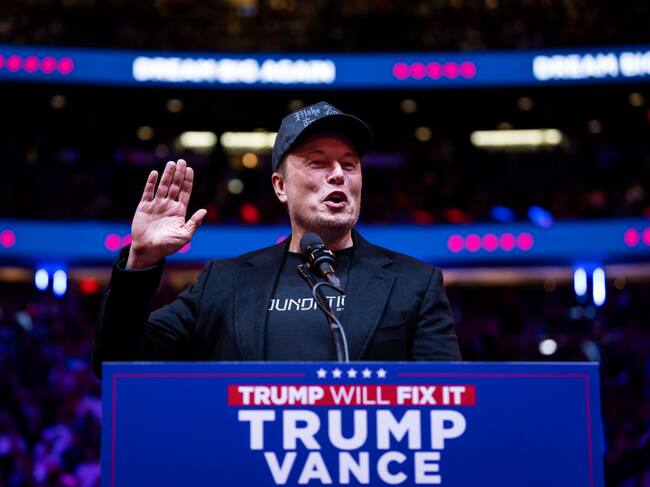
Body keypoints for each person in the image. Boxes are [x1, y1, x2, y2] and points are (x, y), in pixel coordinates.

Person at [92, 101, 461, 376]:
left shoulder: (415, 284)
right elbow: (115, 363)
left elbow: (448, 399)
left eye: (349, 164)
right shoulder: (223, 283)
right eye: (318, 162)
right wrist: (142, 261)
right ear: (280, 186)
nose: (338, 174)